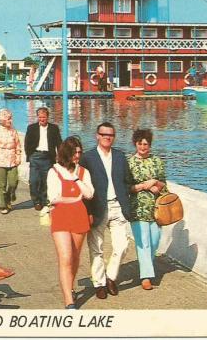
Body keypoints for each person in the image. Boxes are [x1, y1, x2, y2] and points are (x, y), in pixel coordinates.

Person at [79, 122, 131, 300]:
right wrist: (87, 212)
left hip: (118, 206)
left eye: (111, 135)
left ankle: (110, 276)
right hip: (97, 207)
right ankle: (99, 283)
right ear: (97, 136)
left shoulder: (120, 156)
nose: (108, 137)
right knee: (96, 248)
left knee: (122, 245)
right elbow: (82, 186)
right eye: (104, 134)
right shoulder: (87, 158)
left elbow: (126, 181)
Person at [47, 136, 94, 309]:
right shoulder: (54, 171)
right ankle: (69, 300)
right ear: (66, 153)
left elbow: (89, 194)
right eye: (74, 153)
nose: (77, 156)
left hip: (79, 217)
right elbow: (53, 198)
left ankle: (70, 286)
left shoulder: (83, 172)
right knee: (65, 257)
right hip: (60, 217)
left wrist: (75, 179)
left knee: (74, 258)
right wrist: (74, 199)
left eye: (79, 152)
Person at [128, 129, 167, 291]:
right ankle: (146, 276)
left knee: (154, 241)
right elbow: (126, 187)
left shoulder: (157, 161)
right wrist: (144, 186)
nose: (143, 147)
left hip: (156, 208)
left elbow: (163, 183)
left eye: (146, 144)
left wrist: (155, 184)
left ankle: (147, 268)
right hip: (138, 208)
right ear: (135, 144)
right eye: (140, 144)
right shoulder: (129, 163)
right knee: (143, 242)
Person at [24, 107, 62, 211]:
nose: (42, 119)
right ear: (37, 117)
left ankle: (45, 200)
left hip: (48, 157)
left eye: (44, 117)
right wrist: (30, 156)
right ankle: (36, 201)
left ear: (48, 117)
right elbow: (27, 143)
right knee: (34, 181)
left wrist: (60, 156)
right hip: (35, 156)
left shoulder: (54, 128)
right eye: (40, 117)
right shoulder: (31, 128)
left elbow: (59, 143)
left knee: (46, 181)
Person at [0, 109, 21, 214]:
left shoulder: (13, 131)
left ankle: (10, 195)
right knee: (2, 185)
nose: (10, 120)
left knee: (13, 182)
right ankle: (4, 205)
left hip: (12, 160)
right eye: (8, 119)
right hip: (0, 161)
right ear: (2, 120)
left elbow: (18, 145)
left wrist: (18, 156)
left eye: (11, 118)